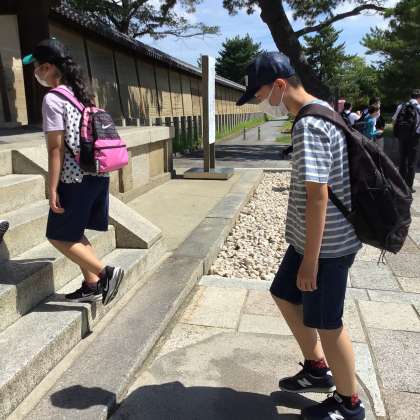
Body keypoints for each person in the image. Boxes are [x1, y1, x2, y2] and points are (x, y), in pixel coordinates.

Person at [237, 52, 364, 420]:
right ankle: (316, 368)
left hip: (326, 247)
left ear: (279, 85)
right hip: (311, 241)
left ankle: (349, 403)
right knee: (283, 292)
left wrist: (310, 261)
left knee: (328, 322)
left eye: (261, 94)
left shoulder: (309, 124)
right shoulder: (320, 109)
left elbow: (317, 195)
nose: (261, 101)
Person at [22, 38, 124, 305]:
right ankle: (92, 284)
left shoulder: (53, 99)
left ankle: (106, 273)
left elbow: (55, 148)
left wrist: (52, 187)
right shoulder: (82, 94)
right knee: (73, 231)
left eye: (36, 67)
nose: (35, 73)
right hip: (98, 174)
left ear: (47, 67)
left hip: (73, 177)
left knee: (57, 236)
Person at [392, 90, 420, 193]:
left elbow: (394, 120)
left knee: (403, 160)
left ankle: (401, 184)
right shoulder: (419, 107)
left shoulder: (401, 106)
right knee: (412, 162)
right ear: (419, 97)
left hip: (402, 137)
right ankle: (409, 187)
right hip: (415, 137)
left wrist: (399, 132)